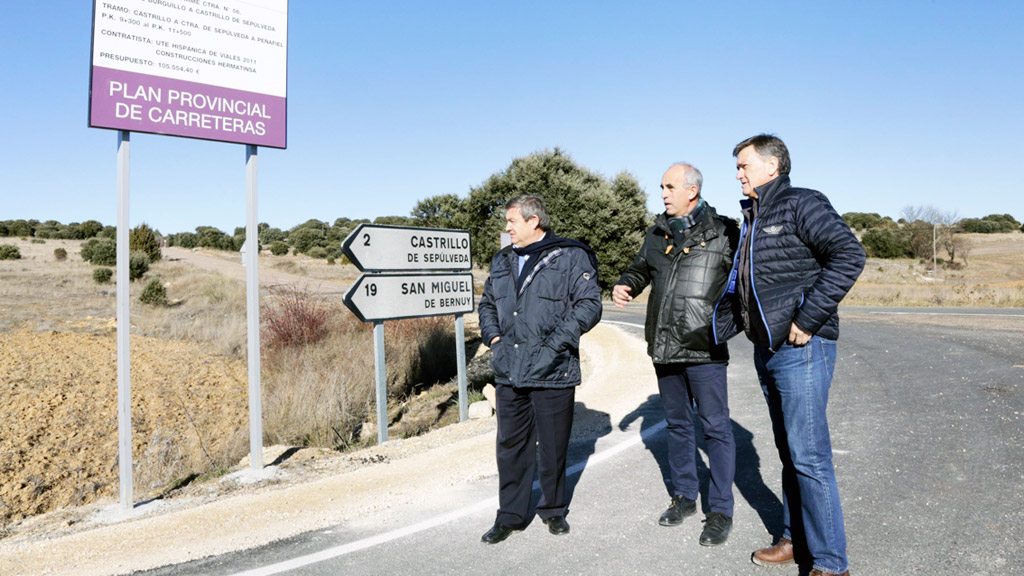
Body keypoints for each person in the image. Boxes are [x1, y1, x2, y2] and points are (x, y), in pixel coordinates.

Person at [713, 134, 865, 576]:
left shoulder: (801, 202)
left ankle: (832, 564)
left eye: (744, 165)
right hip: (767, 349)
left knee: (810, 456)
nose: (738, 173)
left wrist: (807, 318)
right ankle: (795, 539)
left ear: (772, 166)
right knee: (789, 453)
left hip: (802, 347)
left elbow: (848, 255)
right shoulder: (753, 216)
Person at [612, 163, 740, 546]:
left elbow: (746, 281)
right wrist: (626, 285)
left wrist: (731, 323)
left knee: (715, 428)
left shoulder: (726, 231)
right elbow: (639, 269)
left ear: (692, 191)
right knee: (679, 425)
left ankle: (719, 510)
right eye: (662, 187)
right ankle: (684, 497)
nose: (663, 193)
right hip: (665, 346)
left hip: (705, 347)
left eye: (670, 187)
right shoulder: (657, 233)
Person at [477, 194, 602, 544]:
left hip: (553, 368)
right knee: (511, 447)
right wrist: (495, 339)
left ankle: (553, 509)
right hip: (509, 369)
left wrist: (553, 344)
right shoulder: (502, 260)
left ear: (534, 222)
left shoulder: (569, 256)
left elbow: (589, 305)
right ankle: (510, 516)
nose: (507, 227)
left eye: (512, 221)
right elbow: (487, 303)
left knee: (552, 446)